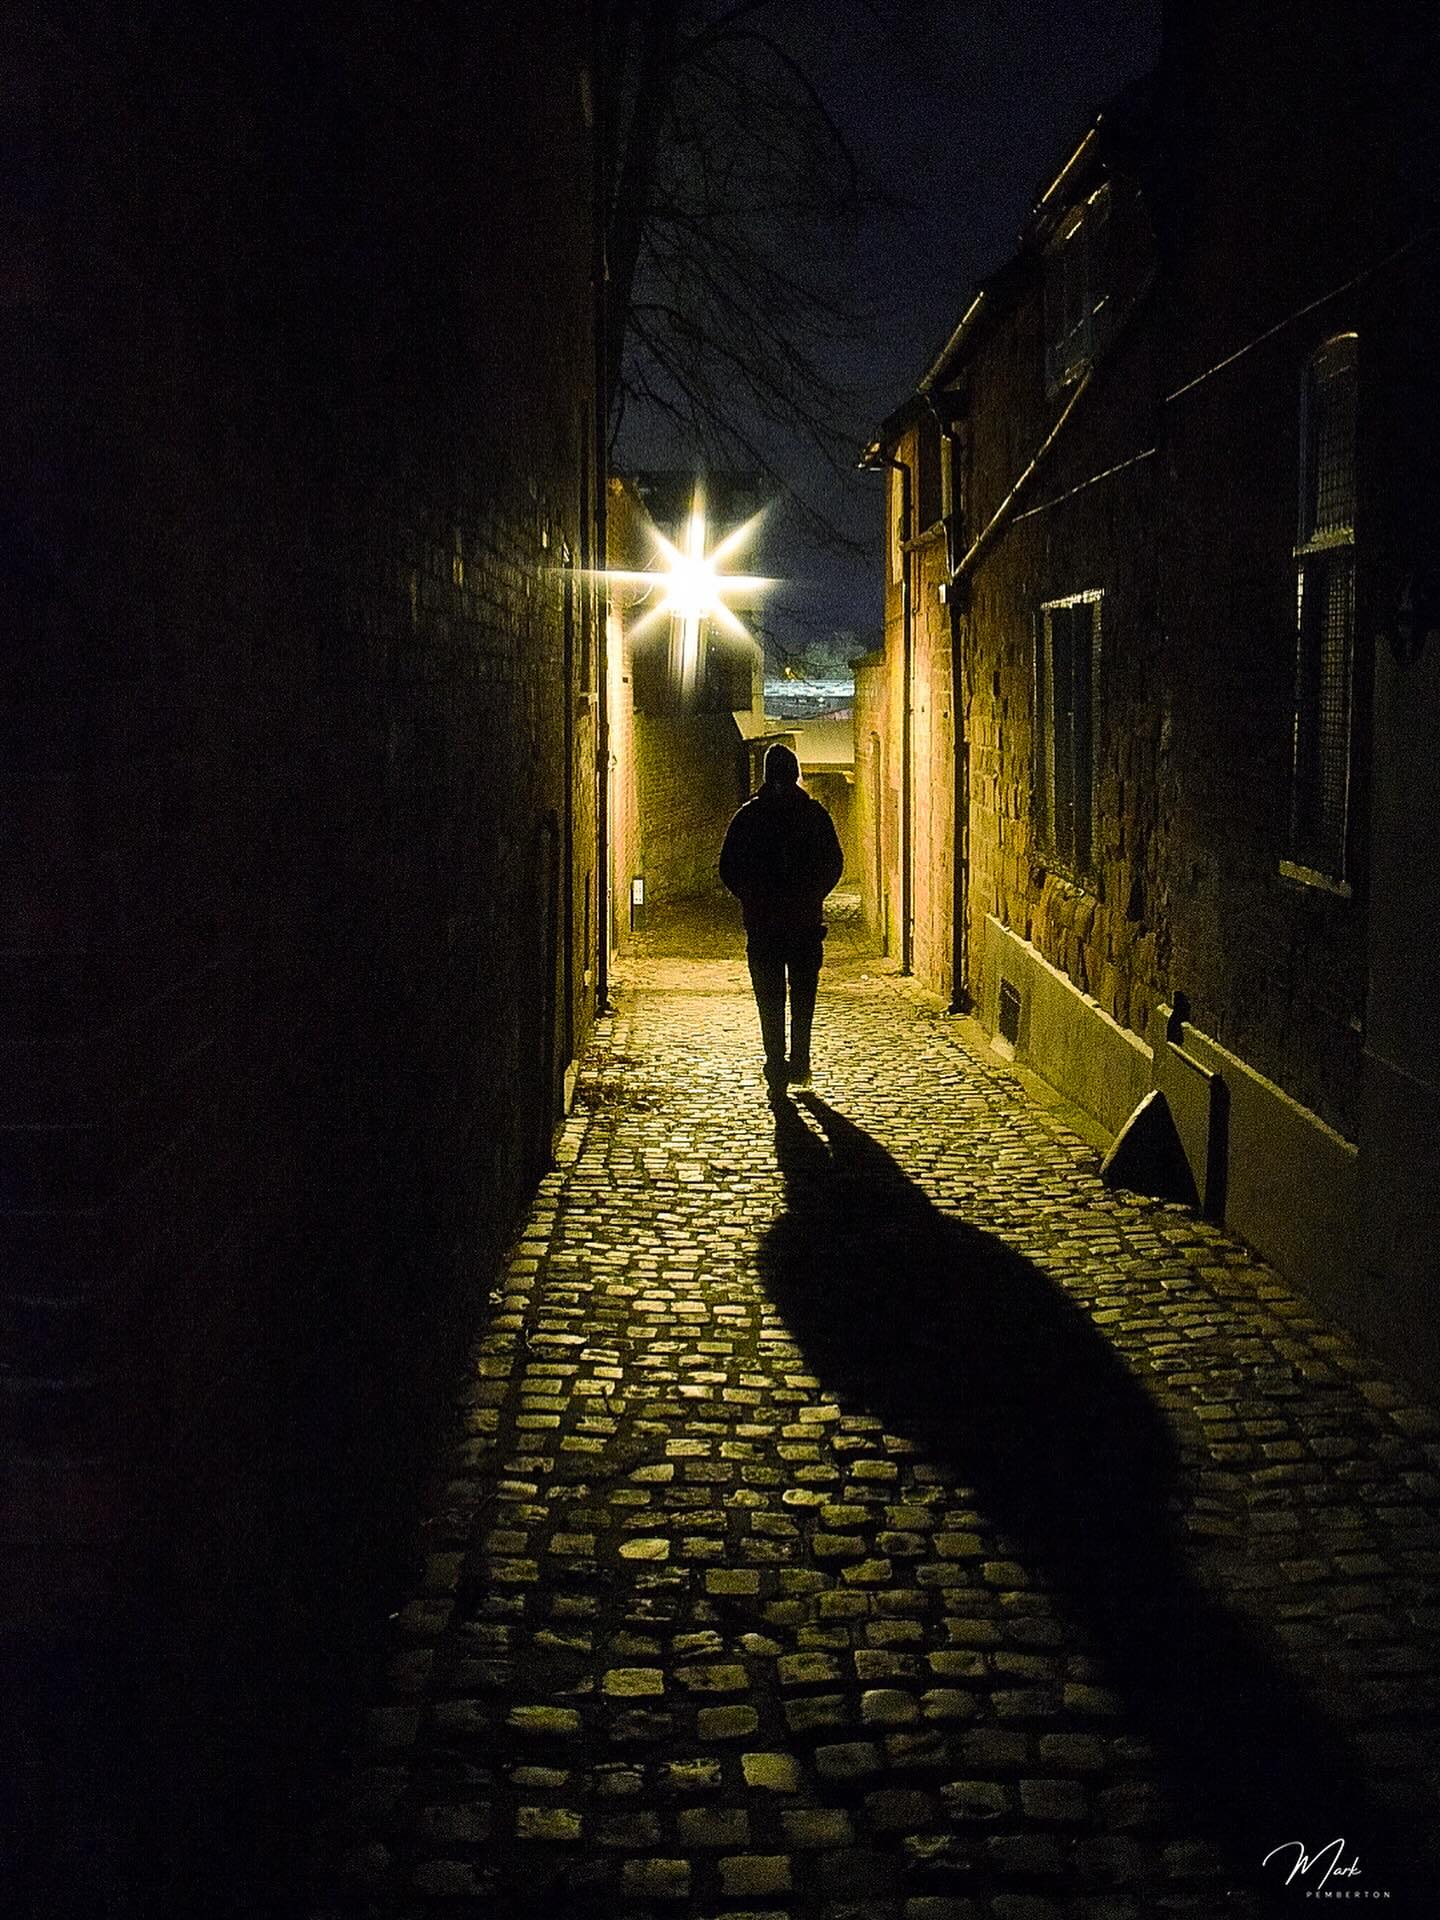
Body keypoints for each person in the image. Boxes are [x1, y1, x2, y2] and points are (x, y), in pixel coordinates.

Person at [719, 742, 844, 1095]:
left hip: (764, 927)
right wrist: (814, 894)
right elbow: (834, 863)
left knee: (769, 998)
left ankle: (776, 1061)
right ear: (796, 773)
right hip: (804, 924)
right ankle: (800, 1061)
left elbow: (728, 867)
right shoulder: (814, 815)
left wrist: (752, 897)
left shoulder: (748, 817)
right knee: (803, 998)